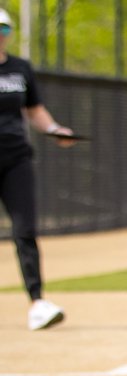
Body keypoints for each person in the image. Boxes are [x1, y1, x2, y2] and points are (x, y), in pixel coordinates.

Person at [0, 7, 75, 330]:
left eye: (4, 30)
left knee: (25, 230)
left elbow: (35, 110)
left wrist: (55, 130)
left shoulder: (20, 69)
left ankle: (37, 303)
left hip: (16, 158)